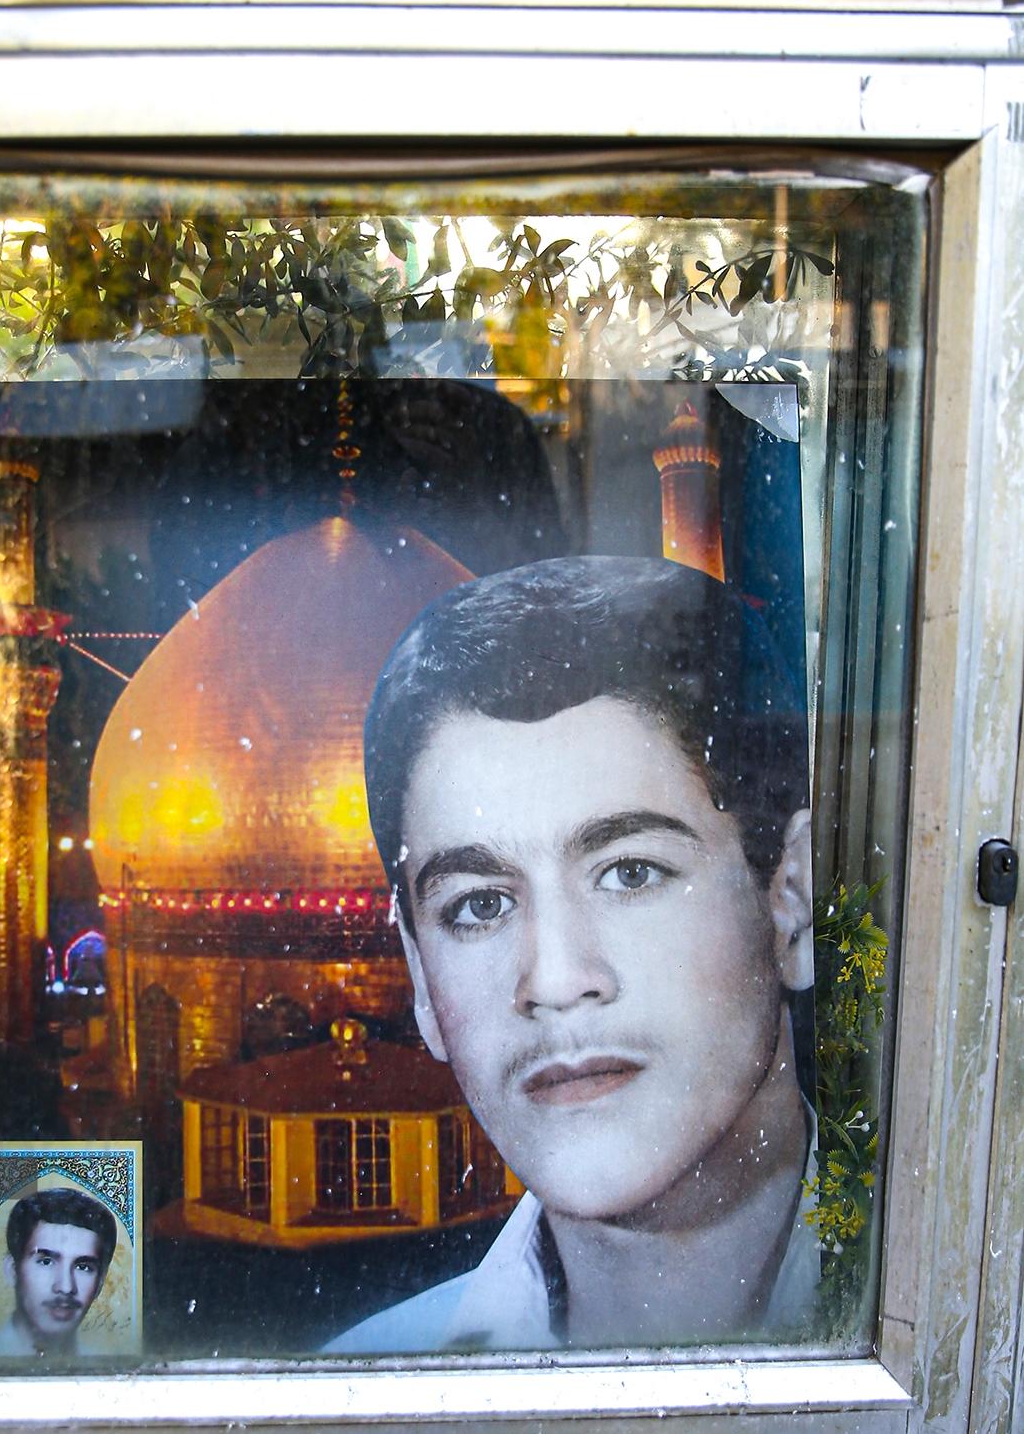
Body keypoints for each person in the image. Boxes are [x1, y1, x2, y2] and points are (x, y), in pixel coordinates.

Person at [328, 554, 816, 1354]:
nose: (552, 981)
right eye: (479, 906)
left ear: (788, 898)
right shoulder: (351, 1397)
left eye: (631, 874)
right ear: (418, 971)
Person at [0, 1187, 118, 1359]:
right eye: (46, 1262)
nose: (65, 1287)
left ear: (100, 1282)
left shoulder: (109, 1366)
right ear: (12, 1270)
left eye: (83, 1267)